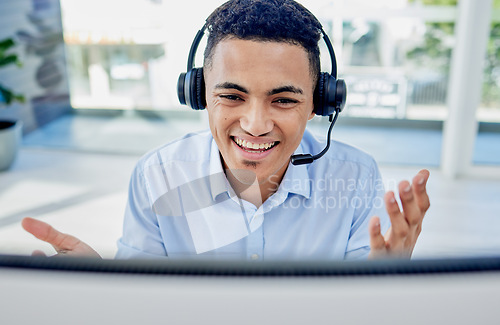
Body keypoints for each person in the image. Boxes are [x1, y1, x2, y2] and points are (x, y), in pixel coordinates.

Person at [22, 0, 430, 260]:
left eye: (283, 100)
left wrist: (382, 281)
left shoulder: (355, 177)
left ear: (318, 104)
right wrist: (104, 290)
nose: (254, 125)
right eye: (232, 96)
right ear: (199, 94)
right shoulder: (157, 175)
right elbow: (144, 313)